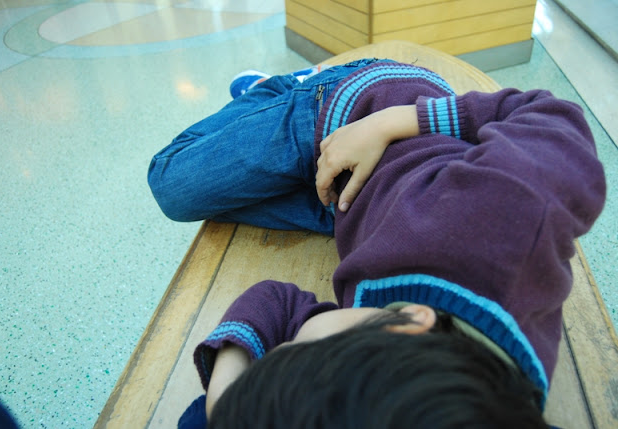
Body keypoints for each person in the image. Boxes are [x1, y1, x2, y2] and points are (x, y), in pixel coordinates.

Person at [148, 59, 606, 428]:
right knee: (171, 182)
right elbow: (550, 114)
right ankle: (287, 89)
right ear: (408, 322)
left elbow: (277, 302)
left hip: (346, 208)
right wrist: (392, 122)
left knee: (230, 196)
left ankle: (279, 147)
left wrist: (227, 400)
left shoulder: (441, 387)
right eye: (296, 346)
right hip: (362, 109)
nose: (291, 337)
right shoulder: (508, 217)